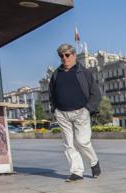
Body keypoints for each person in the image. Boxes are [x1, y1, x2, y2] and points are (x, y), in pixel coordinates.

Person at [49, 43, 102, 182]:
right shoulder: (56, 74)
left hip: (81, 112)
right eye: (61, 56)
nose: (64, 58)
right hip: (62, 113)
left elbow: (96, 93)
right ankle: (77, 172)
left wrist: (88, 109)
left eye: (67, 55)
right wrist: (54, 109)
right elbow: (51, 94)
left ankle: (94, 162)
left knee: (82, 141)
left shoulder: (84, 72)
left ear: (73, 55)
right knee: (69, 144)